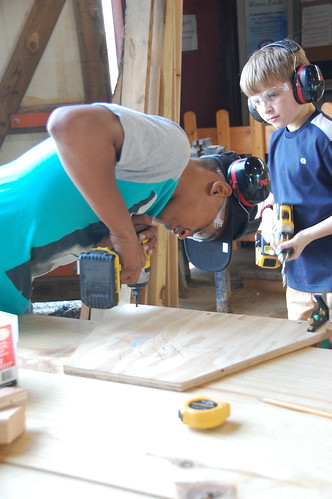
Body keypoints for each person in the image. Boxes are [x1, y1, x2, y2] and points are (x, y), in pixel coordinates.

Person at [0, 103, 269, 316]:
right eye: (205, 230)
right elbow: (69, 124)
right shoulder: (173, 150)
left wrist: (106, 242)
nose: (185, 235)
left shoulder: (137, 200)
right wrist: (124, 236)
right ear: (219, 190)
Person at [240, 39, 332, 338]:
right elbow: (275, 194)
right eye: (255, 101)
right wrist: (267, 215)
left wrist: (305, 236)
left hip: (331, 276)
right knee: (303, 352)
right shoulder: (277, 139)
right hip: (298, 277)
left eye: (273, 95)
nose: (264, 108)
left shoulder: (324, 136)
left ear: (305, 84)